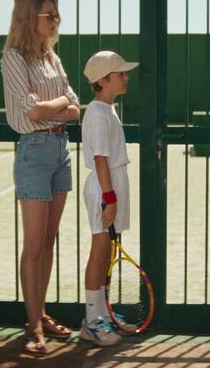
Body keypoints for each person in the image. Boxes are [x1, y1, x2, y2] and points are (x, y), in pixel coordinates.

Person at [0, 0, 79, 356]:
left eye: (56, 14)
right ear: (29, 18)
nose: (55, 20)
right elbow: (30, 113)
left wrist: (58, 105)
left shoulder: (52, 57)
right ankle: (32, 327)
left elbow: (75, 105)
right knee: (33, 245)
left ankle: (41, 313)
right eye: (49, 15)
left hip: (60, 150)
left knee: (48, 242)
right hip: (34, 152)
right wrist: (61, 103)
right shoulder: (13, 58)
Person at [78, 51, 139, 346]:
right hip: (105, 189)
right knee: (99, 251)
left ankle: (105, 314)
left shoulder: (108, 109)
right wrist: (110, 198)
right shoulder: (97, 113)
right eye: (120, 74)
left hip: (112, 186)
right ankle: (92, 322)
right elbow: (100, 160)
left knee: (108, 253)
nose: (126, 78)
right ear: (103, 80)